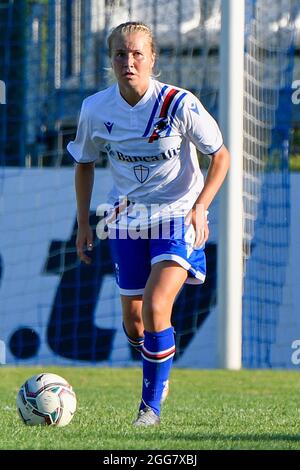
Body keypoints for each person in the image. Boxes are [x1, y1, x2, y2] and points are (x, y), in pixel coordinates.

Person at [67, 21, 231, 426]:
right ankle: (158, 372)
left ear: (152, 59)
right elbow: (84, 164)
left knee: (159, 305)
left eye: (138, 53)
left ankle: (150, 409)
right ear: (110, 60)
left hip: (179, 212)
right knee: (134, 320)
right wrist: (84, 223)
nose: (129, 61)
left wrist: (200, 206)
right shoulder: (96, 108)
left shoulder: (179, 103)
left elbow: (221, 156)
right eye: (120, 54)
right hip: (125, 215)